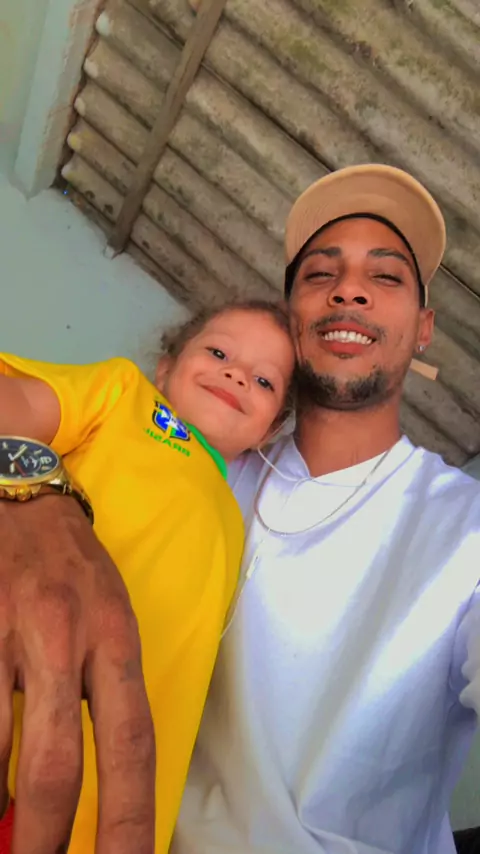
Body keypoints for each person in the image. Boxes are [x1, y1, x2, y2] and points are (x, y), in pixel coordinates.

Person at [170, 165, 480, 854]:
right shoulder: (203, 467)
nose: (349, 289)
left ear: (423, 329)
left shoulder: (465, 529)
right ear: (292, 321)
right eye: (320, 274)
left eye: (386, 276)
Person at [0, 299, 295, 853]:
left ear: (271, 430)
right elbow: (15, 406)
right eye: (218, 353)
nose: (236, 374)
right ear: (165, 368)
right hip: (19, 742)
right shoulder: (124, 395)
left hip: (104, 814)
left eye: (264, 380)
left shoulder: (238, 524)